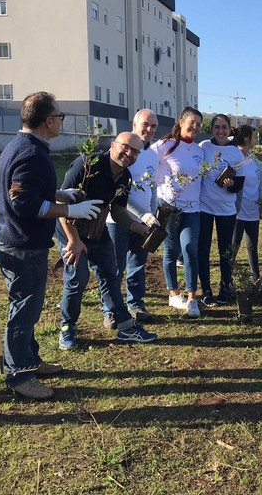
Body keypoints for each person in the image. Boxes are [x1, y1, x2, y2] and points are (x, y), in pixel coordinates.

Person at [0, 92, 102, 400]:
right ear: (49, 121)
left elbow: (27, 189)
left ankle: (30, 360)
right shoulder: (31, 153)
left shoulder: (21, 145)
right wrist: (68, 211)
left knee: (28, 307)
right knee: (24, 310)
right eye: (60, 116)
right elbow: (23, 202)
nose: (61, 121)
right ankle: (20, 375)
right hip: (22, 245)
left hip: (18, 241)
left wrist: (59, 193)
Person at [56, 131, 158, 350]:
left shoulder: (124, 176)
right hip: (69, 229)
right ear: (113, 145)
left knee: (110, 275)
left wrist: (140, 228)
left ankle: (125, 326)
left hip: (96, 229)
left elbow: (119, 211)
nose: (129, 153)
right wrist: (73, 241)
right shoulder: (86, 165)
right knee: (78, 278)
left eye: (135, 151)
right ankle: (67, 328)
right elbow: (61, 205)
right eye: (126, 147)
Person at [103, 109, 159, 327]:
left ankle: (135, 304)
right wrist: (143, 214)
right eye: (145, 124)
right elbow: (117, 192)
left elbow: (152, 187)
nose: (149, 130)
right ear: (134, 124)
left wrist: (152, 213)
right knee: (114, 268)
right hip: (118, 219)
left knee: (138, 264)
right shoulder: (123, 152)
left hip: (145, 221)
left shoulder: (152, 155)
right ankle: (110, 310)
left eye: (153, 126)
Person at [153, 106, 205, 318]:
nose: (195, 127)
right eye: (192, 122)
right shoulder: (166, 145)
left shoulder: (199, 150)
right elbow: (146, 160)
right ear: (181, 122)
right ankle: (174, 294)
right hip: (169, 208)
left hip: (193, 209)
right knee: (171, 251)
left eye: (199, 124)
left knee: (191, 248)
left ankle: (192, 298)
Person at [198, 114, 244, 306]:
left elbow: (240, 183)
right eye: (217, 127)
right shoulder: (204, 148)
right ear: (211, 130)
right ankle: (206, 290)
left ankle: (225, 288)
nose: (221, 131)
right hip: (204, 207)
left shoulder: (236, 153)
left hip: (226, 209)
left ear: (229, 130)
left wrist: (231, 184)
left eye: (224, 127)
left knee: (226, 251)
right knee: (203, 249)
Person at [232, 125, 262, 279]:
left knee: (252, 246)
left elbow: (260, 183)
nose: (255, 139)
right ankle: (227, 279)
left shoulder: (253, 159)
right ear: (247, 138)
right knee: (233, 246)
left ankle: (256, 278)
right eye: (253, 136)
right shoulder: (235, 158)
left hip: (254, 210)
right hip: (238, 211)